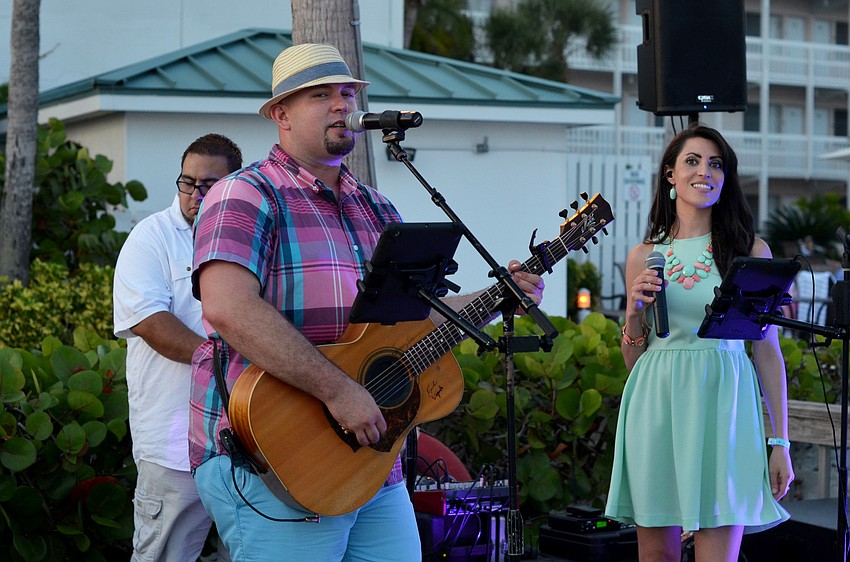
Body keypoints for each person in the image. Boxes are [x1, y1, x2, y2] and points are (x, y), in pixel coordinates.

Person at [188, 43, 544, 561]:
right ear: (280, 115)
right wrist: (338, 391)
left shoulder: (376, 206)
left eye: (348, 92)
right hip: (273, 453)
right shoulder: (244, 194)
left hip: (372, 459)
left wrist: (497, 296)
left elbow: (411, 320)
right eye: (321, 95)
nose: (342, 104)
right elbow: (228, 308)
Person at [604, 124, 794, 562]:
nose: (703, 171)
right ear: (670, 175)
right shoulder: (643, 254)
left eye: (715, 164)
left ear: (725, 178)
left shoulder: (750, 251)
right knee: (656, 557)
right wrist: (633, 313)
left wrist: (780, 442)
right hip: (655, 404)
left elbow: (767, 350)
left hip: (723, 407)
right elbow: (636, 359)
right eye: (692, 161)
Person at [113, 133, 242, 562]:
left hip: (250, 438)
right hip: (172, 445)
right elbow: (151, 324)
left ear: (235, 183)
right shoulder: (150, 237)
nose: (194, 194)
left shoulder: (253, 236)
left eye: (208, 185)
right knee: (165, 557)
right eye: (187, 182)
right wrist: (227, 363)